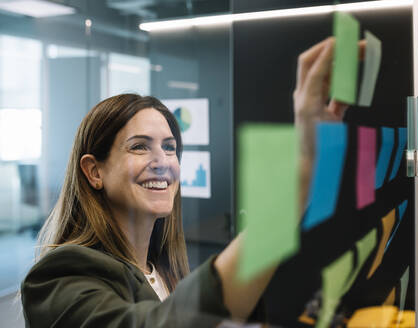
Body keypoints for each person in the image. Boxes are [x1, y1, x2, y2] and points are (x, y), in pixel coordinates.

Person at [21, 37, 364, 327]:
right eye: (140, 146)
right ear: (94, 171)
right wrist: (303, 171)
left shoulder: (168, 273)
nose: (162, 163)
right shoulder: (59, 277)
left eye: (169, 148)